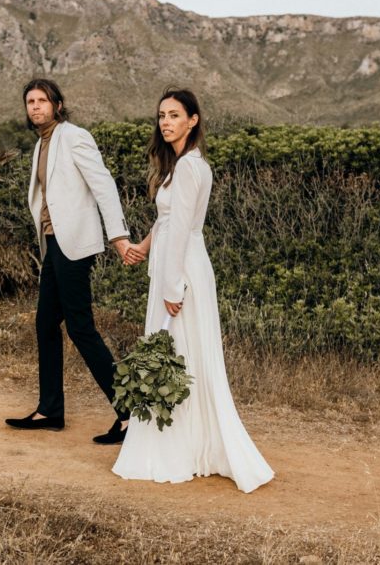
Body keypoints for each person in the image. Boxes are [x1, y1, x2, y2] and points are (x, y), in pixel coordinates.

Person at [112, 88, 274, 492]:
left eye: (174, 115)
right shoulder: (182, 165)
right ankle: (192, 442)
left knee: (177, 358)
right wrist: (142, 248)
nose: (166, 122)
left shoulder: (189, 168)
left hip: (181, 269)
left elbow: (183, 229)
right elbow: (168, 220)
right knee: (179, 356)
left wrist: (171, 285)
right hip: (174, 262)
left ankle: (180, 447)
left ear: (193, 120)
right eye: (162, 115)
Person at [5, 78, 131, 444]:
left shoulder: (74, 136)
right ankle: (50, 410)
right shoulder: (41, 144)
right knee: (46, 323)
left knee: (80, 327)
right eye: (30, 101)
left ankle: (127, 413)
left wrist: (118, 236)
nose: (35, 107)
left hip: (73, 244)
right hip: (52, 244)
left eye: (42, 100)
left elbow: (103, 184)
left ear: (58, 105)